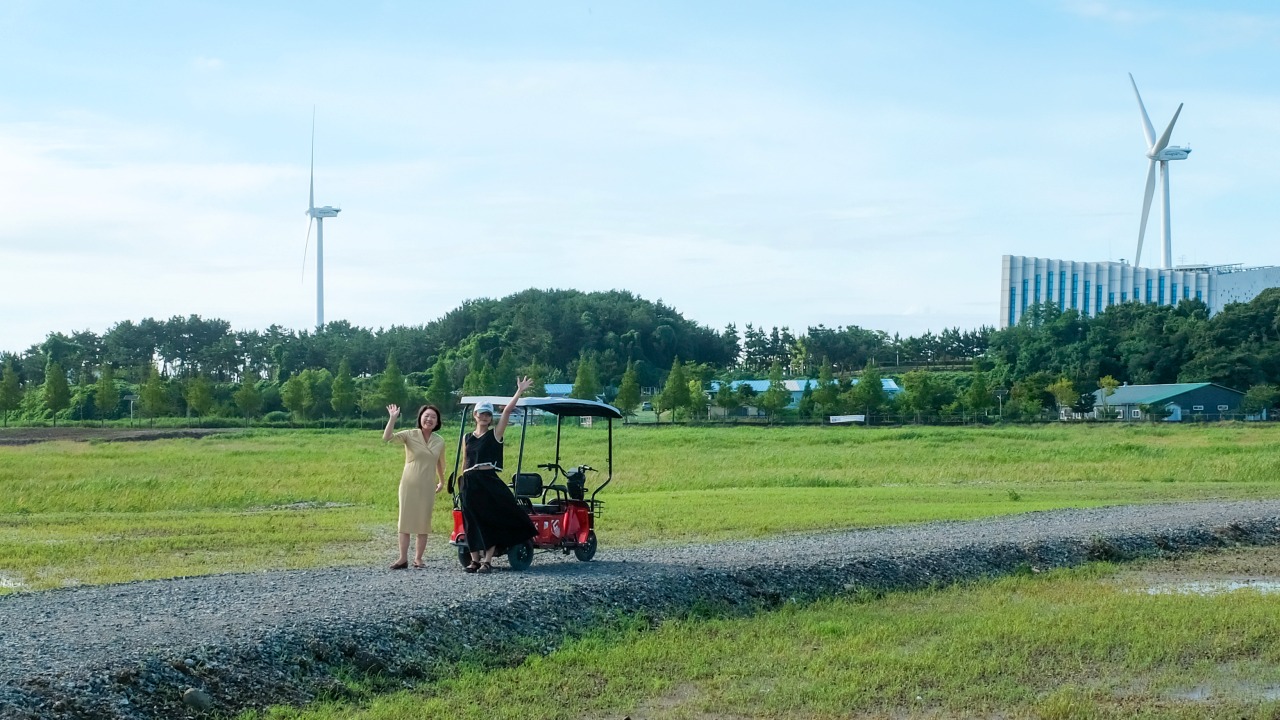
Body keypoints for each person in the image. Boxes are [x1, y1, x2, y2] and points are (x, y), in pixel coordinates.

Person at [458, 377, 537, 573]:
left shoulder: (495, 434)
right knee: (471, 519)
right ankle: (474, 560)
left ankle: (487, 560)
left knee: (489, 518)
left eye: (487, 415)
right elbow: (464, 460)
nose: (484, 417)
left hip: (487, 480)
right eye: (481, 414)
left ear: (490, 417)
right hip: (469, 480)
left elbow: (508, 411)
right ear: (474, 415)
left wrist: (519, 392)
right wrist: (460, 482)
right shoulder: (467, 437)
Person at [383, 403, 446, 569]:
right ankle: (402, 558)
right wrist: (392, 418)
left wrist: (442, 481)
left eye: (433, 417)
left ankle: (419, 559)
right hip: (409, 483)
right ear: (420, 418)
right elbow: (387, 437)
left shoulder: (439, 441)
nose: (429, 419)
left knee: (423, 522)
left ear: (437, 421)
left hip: (427, 485)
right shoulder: (410, 435)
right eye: (426, 416)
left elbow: (440, 463)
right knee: (405, 520)